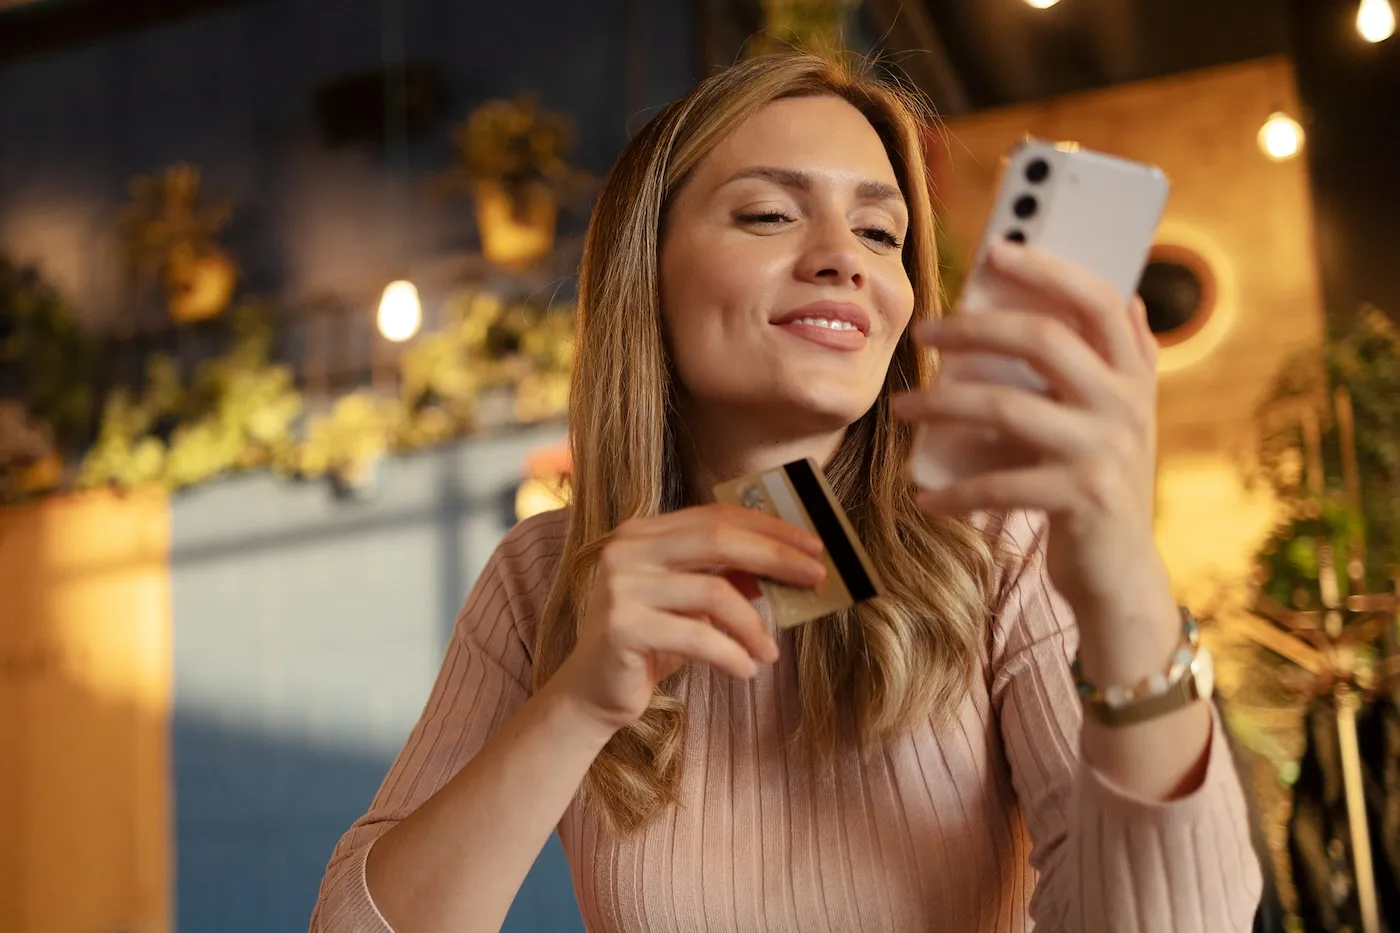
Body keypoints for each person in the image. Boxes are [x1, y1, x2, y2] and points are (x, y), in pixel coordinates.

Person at [311, 52, 1262, 932]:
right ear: (648, 274)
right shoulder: (541, 576)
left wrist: (1127, 591)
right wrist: (577, 704)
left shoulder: (1000, 535)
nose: (844, 255)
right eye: (769, 213)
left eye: (881, 229)